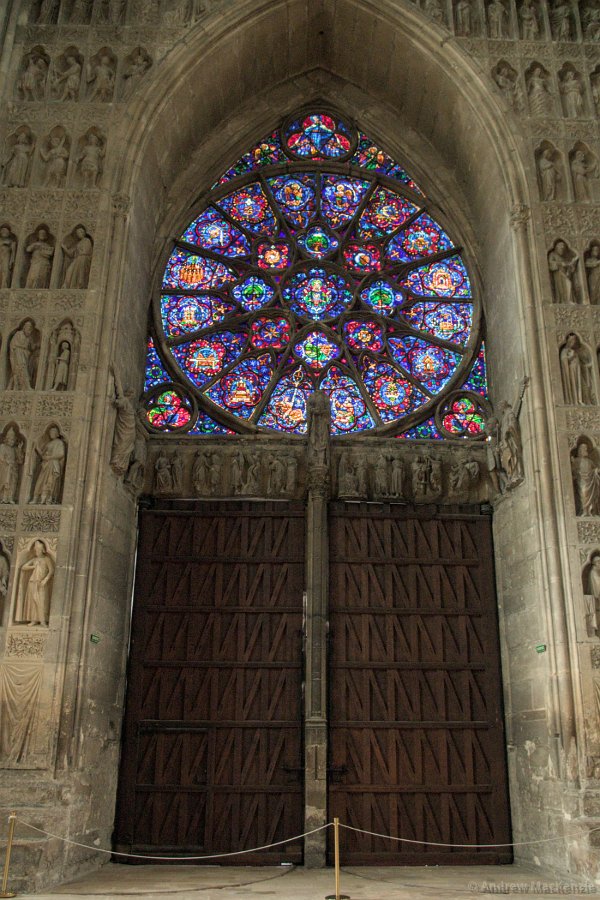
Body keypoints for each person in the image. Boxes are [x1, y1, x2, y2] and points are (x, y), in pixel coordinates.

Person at [16, 540, 54, 626]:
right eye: (35, 550)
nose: (36, 551)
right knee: (32, 601)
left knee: (41, 602)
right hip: (32, 581)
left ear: (42, 550)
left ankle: (43, 620)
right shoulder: (34, 559)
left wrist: (45, 580)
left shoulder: (47, 559)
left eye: (37, 550)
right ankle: (34, 620)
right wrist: (33, 566)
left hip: (42, 583)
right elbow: (23, 567)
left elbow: (51, 571)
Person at [32, 426, 66, 505]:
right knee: (41, 481)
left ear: (57, 434)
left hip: (53, 464)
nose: (51, 434)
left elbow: (61, 454)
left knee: (50, 482)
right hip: (46, 465)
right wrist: (37, 448)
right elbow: (42, 455)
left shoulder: (59, 442)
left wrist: (50, 457)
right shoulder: (48, 444)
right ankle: (37, 498)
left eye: (53, 432)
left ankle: (48, 498)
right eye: (50, 432)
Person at [560, 334, 594, 405]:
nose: (574, 343)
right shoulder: (564, 351)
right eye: (573, 341)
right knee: (574, 386)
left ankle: (584, 401)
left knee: (584, 387)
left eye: (575, 341)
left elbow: (581, 363)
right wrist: (571, 357)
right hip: (571, 372)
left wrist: (588, 365)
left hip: (578, 372)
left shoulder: (574, 351)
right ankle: (575, 401)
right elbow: (564, 361)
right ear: (569, 342)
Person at [571, 443, 600, 516]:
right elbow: (573, 471)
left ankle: (590, 511)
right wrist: (573, 462)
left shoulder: (590, 461)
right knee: (583, 495)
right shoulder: (576, 460)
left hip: (590, 481)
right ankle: (583, 511)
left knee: (592, 496)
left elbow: (595, 469)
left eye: (586, 448)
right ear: (580, 450)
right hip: (581, 481)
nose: (586, 450)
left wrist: (596, 470)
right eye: (584, 448)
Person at [8, 321, 36, 390]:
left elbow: (32, 347)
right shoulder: (18, 334)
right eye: (28, 328)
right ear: (24, 327)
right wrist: (20, 349)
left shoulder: (29, 338)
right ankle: (25, 387)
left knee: (19, 370)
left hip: (25, 355)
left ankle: (13, 387)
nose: (29, 330)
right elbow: (12, 344)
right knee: (20, 369)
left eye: (30, 329)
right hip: (18, 354)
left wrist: (36, 345)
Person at [0, 428, 24, 504]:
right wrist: (7, 461)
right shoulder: (3, 446)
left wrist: (19, 449)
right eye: (10, 440)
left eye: (13, 440)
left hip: (13, 468)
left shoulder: (15, 449)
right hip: (5, 468)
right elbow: (1, 457)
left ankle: (10, 498)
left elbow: (20, 460)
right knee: (4, 482)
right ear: (7, 439)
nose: (12, 442)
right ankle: (3, 497)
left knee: (13, 483)